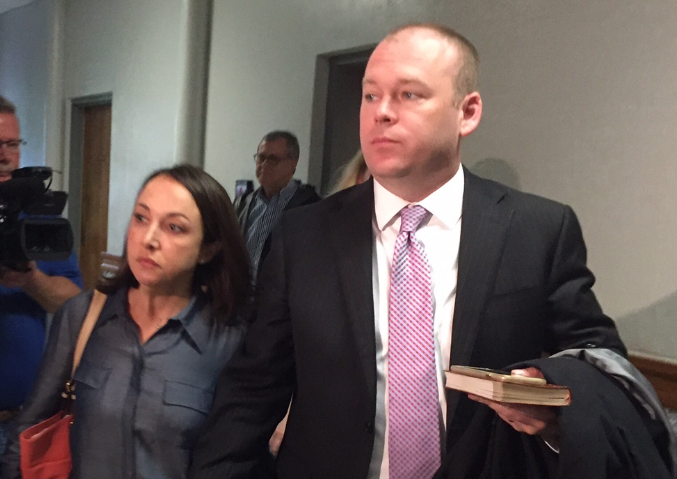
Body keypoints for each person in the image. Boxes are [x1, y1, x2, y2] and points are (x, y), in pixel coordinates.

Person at [189, 24, 674, 479]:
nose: (381, 111)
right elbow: (254, 388)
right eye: (371, 94)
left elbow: (600, 361)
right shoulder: (305, 235)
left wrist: (549, 402)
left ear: (468, 112)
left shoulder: (537, 230)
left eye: (409, 95)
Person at [2, 165, 251, 479]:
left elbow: (235, 460)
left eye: (174, 227)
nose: (149, 239)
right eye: (141, 218)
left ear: (208, 249)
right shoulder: (83, 316)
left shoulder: (228, 341)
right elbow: (29, 427)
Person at [0, 93, 83, 479]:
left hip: (24, 420)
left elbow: (76, 303)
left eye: (12, 144)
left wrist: (31, 280)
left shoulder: (37, 221)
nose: (5, 156)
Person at [234, 131, 319, 281]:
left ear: (293, 164)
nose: (265, 165)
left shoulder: (310, 207)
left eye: (273, 159)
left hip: (282, 300)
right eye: (261, 158)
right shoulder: (243, 203)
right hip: (242, 297)